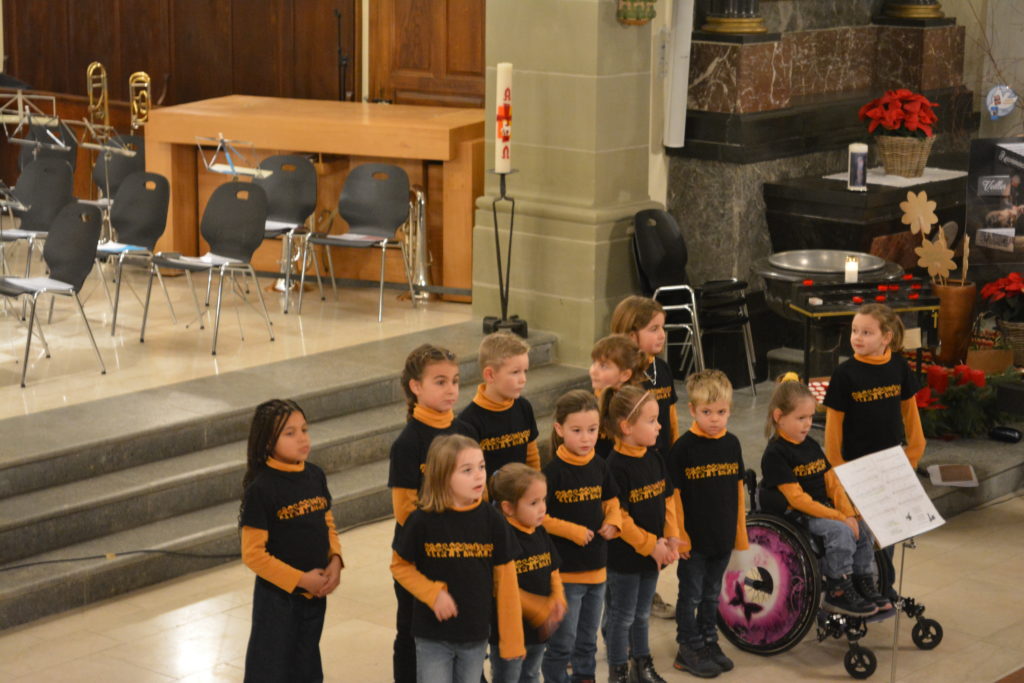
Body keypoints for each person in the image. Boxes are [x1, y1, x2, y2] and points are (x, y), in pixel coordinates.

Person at [390, 434, 525, 683]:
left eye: (481, 466)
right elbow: (400, 566)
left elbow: (506, 581)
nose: (479, 476)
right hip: (432, 635)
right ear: (443, 476)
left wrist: (512, 638)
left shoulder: (493, 520)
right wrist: (433, 594)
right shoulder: (421, 520)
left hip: (475, 633)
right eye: (467, 470)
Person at [760, 374, 888, 617]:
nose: (808, 424)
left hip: (822, 507)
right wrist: (839, 517)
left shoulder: (810, 445)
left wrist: (850, 514)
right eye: (801, 418)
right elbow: (797, 499)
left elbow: (833, 484)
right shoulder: (776, 453)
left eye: (810, 417)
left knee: (863, 528)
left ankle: (862, 580)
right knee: (840, 531)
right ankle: (837, 588)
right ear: (778, 416)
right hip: (798, 514)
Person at [824, 303, 926, 602]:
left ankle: (884, 585)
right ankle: (859, 586)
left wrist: (913, 454)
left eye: (866, 332)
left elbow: (910, 414)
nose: (857, 337)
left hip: (891, 465)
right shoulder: (845, 374)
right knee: (863, 534)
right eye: (855, 331)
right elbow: (833, 427)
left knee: (888, 532)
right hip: (855, 468)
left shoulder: (898, 367)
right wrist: (838, 467)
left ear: (886, 337)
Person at [239, 399, 344, 683]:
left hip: (313, 598)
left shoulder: (315, 475)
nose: (302, 438)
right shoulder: (261, 489)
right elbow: (253, 555)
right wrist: (301, 580)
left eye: (304, 430)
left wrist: (335, 559)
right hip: (277, 602)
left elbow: (327, 523)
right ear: (267, 442)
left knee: (306, 666)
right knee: (271, 670)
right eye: (290, 433)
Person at [666, 370, 747, 679]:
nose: (715, 419)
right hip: (694, 542)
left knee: (712, 594)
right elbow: (673, 498)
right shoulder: (683, 448)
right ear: (692, 410)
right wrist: (679, 537)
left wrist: (739, 535)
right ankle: (688, 646)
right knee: (691, 595)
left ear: (730, 410)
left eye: (721, 412)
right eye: (707, 412)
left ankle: (708, 641)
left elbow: (737, 493)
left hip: (721, 538)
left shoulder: (732, 444)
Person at [388, 344, 461, 683]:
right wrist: (446, 529)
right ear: (416, 387)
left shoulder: (464, 431)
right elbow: (405, 510)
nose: (451, 389)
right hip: (419, 554)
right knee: (412, 630)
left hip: (461, 549)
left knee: (458, 625)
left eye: (455, 381)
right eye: (440, 382)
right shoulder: (408, 443)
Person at [540, 390, 623, 683]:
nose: (586, 438)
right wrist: (572, 531)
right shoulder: (552, 472)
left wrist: (614, 522)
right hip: (567, 573)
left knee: (588, 640)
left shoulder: (600, 464)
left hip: (597, 570)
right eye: (577, 430)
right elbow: (538, 517)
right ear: (559, 429)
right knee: (563, 642)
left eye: (592, 430)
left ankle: (585, 677)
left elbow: (611, 501)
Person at [602, 385, 680, 683]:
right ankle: (618, 672)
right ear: (626, 427)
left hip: (652, 554)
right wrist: (650, 545)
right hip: (625, 559)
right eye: (651, 420)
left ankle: (641, 665)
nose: (659, 426)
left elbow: (668, 499)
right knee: (622, 617)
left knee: (643, 614)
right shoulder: (614, 467)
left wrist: (671, 537)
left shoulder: (655, 458)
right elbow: (619, 516)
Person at [489, 463, 568, 683]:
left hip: (538, 632)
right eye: (533, 503)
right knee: (508, 678)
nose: (542, 508)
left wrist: (558, 599)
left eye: (543, 500)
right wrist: (540, 610)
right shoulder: (502, 538)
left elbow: (553, 570)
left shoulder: (540, 531)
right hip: (510, 633)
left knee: (532, 674)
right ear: (508, 507)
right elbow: (504, 589)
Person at [457, 332, 540, 478]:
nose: (523, 379)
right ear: (490, 375)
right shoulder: (468, 421)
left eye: (525, 371)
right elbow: (470, 472)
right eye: (515, 372)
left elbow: (531, 455)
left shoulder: (524, 407)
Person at [610, 296, 680, 457]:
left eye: (662, 327)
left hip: (662, 458)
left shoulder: (662, 368)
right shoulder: (620, 376)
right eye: (654, 329)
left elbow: (671, 418)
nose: (662, 335)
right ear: (631, 336)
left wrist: (675, 451)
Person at [589, 334, 647, 460]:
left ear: (625, 375)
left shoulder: (636, 406)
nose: (593, 370)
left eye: (603, 366)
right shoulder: (588, 403)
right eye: (594, 363)